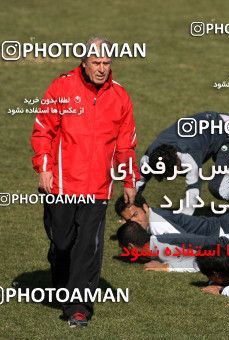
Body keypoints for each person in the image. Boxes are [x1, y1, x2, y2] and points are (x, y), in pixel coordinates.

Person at [31, 37, 139, 327]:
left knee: (87, 248)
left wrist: (129, 178)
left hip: (98, 189)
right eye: (96, 63)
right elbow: (43, 130)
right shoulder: (61, 87)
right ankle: (59, 265)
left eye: (106, 63)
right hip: (62, 186)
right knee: (63, 241)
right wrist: (44, 168)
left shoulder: (120, 97)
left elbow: (125, 145)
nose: (102, 69)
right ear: (84, 62)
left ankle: (79, 307)